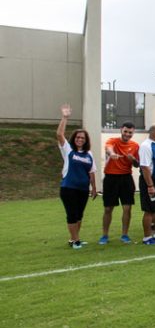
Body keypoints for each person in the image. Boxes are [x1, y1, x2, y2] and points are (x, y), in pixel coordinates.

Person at [56, 104, 98, 249]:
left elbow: (91, 172)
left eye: (83, 138)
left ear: (86, 140)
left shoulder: (89, 154)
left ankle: (75, 239)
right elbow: (59, 135)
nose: (80, 139)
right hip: (69, 188)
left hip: (83, 189)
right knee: (72, 214)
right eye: (78, 137)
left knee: (79, 215)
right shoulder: (68, 150)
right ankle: (75, 241)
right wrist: (65, 117)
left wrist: (94, 188)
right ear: (74, 138)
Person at [99, 121, 139, 245]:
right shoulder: (112, 141)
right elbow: (108, 148)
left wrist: (133, 160)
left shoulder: (135, 146)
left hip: (126, 178)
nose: (127, 134)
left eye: (130, 132)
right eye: (125, 131)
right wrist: (112, 154)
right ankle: (104, 235)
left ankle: (125, 235)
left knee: (127, 208)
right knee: (108, 208)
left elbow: (137, 164)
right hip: (111, 178)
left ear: (133, 133)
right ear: (121, 130)